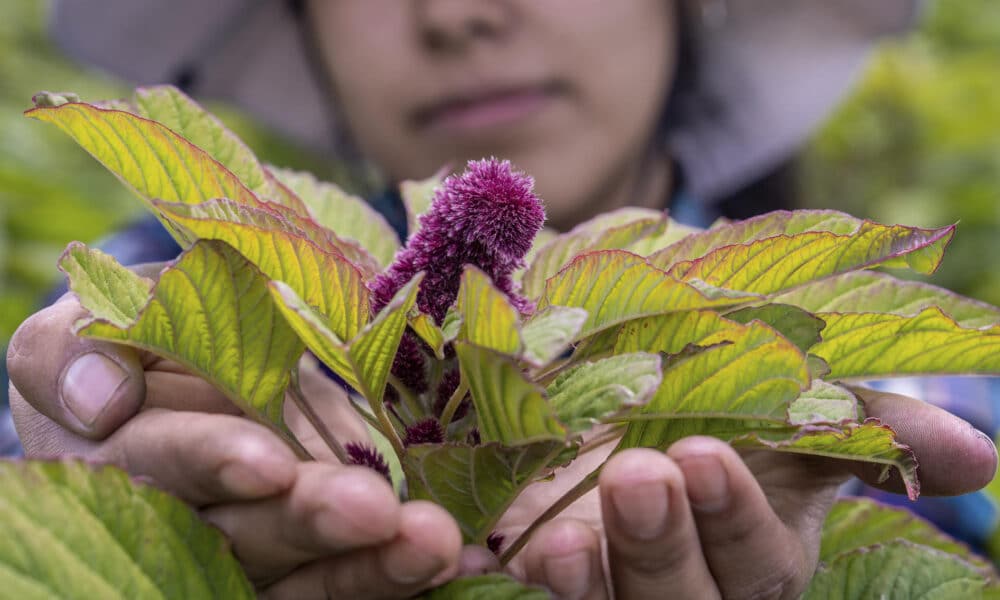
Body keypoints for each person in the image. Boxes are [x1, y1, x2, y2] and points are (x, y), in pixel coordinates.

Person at [7, 0, 998, 598]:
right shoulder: (206, 267)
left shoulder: (834, 344)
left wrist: (829, 463)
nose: (454, 12)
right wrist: (89, 457)